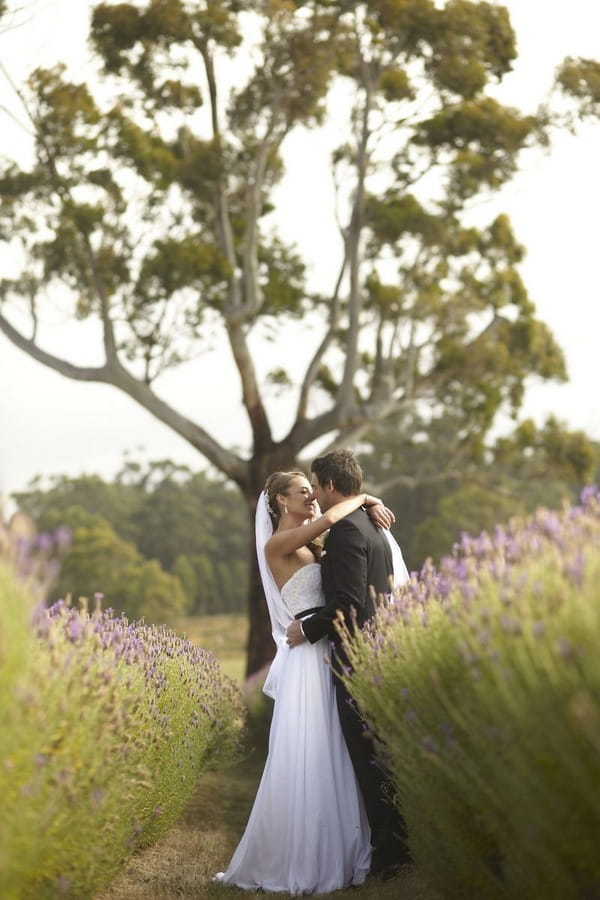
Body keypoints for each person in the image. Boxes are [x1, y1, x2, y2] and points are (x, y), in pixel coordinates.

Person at [216, 470, 393, 895]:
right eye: (302, 492)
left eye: (313, 490)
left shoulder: (313, 546)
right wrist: (365, 496)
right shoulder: (277, 544)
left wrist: (367, 505)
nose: (312, 496)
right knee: (309, 748)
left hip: (324, 650)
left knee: (335, 748)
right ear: (280, 501)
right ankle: (303, 854)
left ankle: (344, 845)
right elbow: (332, 518)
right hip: (305, 660)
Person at [286, 449, 411, 881]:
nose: (317, 494)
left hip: (355, 658)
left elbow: (348, 604)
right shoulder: (374, 528)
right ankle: (396, 846)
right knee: (380, 754)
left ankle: (390, 854)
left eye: (318, 486)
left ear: (332, 486)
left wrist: (308, 630)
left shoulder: (344, 534)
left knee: (368, 759)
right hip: (379, 651)